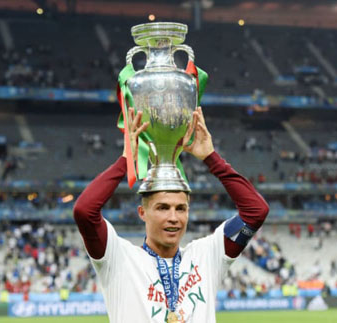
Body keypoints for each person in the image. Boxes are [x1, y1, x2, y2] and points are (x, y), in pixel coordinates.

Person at [73, 107, 269, 322]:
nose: (174, 217)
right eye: (162, 208)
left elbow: (256, 212)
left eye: (181, 208)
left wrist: (212, 159)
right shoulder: (118, 258)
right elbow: (85, 211)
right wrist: (126, 160)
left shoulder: (206, 256)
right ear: (142, 212)